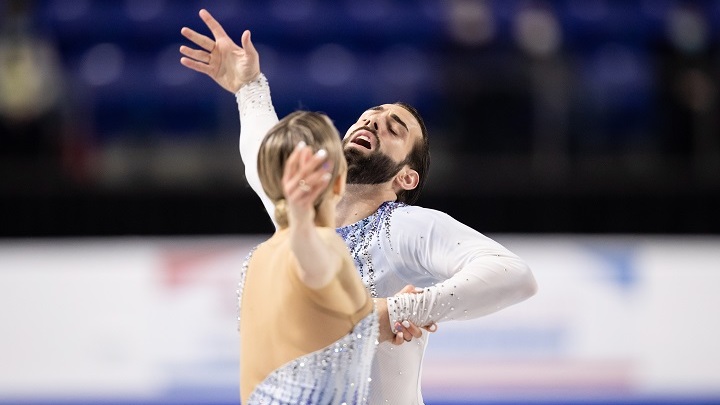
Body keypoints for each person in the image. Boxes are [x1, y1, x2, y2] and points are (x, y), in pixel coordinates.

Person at [181, 9, 538, 404]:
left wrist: (404, 310)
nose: (373, 123)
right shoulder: (296, 218)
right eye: (368, 118)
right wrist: (249, 87)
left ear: (406, 177)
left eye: (394, 128)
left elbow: (513, 275)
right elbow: (261, 155)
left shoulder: (405, 228)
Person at [237, 110, 379, 404]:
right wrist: (303, 223)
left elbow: (320, 321)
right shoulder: (321, 244)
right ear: (339, 182)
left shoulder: (258, 258)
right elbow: (313, 267)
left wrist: (402, 309)